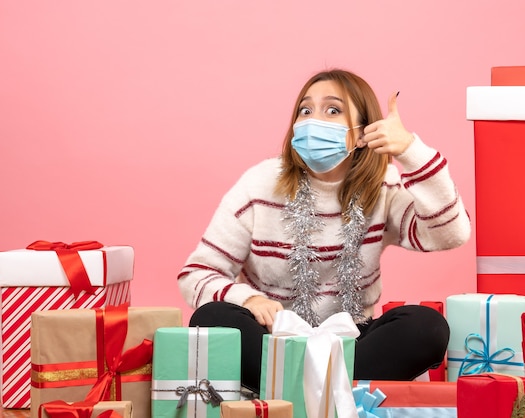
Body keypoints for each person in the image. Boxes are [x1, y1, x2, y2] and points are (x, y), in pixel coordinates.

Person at [178, 68, 471, 393]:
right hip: (272, 339)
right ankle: (332, 390)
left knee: (427, 327)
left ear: (363, 132)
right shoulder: (259, 182)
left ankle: (292, 388)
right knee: (213, 316)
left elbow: (451, 233)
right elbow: (198, 273)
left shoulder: (383, 186)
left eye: (332, 110)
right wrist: (247, 299)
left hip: (353, 341)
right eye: (305, 110)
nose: (312, 121)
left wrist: (410, 151)